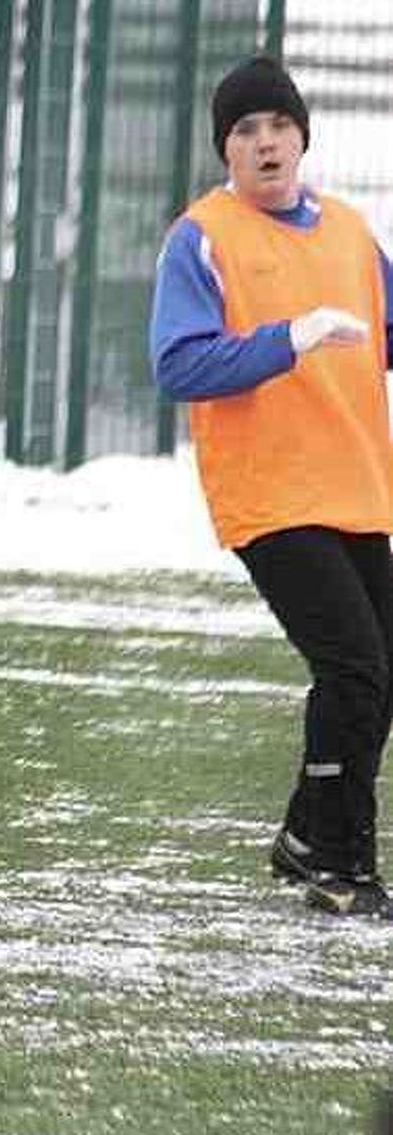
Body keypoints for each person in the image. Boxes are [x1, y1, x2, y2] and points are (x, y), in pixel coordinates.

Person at [150, 55, 393, 920]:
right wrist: (288, 337)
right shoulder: (202, 237)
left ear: (301, 136)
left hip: (359, 487)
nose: (264, 143)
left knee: (380, 674)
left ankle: (302, 834)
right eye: (244, 130)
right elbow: (179, 362)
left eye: (277, 126)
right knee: (353, 669)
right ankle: (340, 865)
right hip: (273, 496)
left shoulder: (351, 232)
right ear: (227, 149)